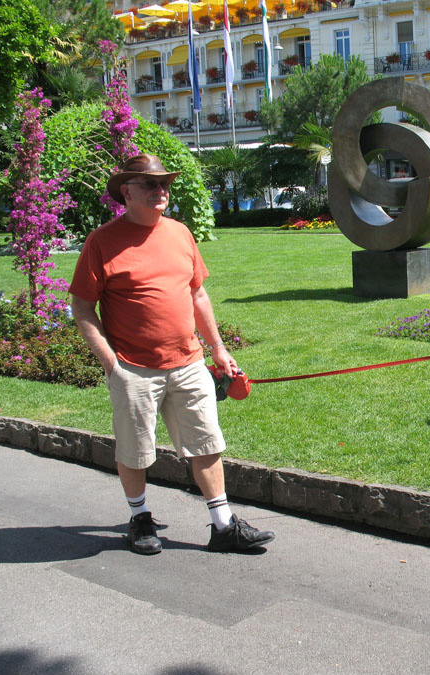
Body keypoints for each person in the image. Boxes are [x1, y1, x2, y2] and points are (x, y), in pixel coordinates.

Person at [69, 153, 275, 555]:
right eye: (150, 184)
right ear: (126, 191)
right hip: (133, 368)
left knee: (207, 443)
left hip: (189, 362)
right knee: (135, 451)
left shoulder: (180, 233)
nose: (160, 191)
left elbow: (198, 293)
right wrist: (112, 364)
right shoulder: (102, 242)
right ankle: (140, 518)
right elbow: (81, 309)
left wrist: (218, 349)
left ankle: (223, 526)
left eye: (164, 184)